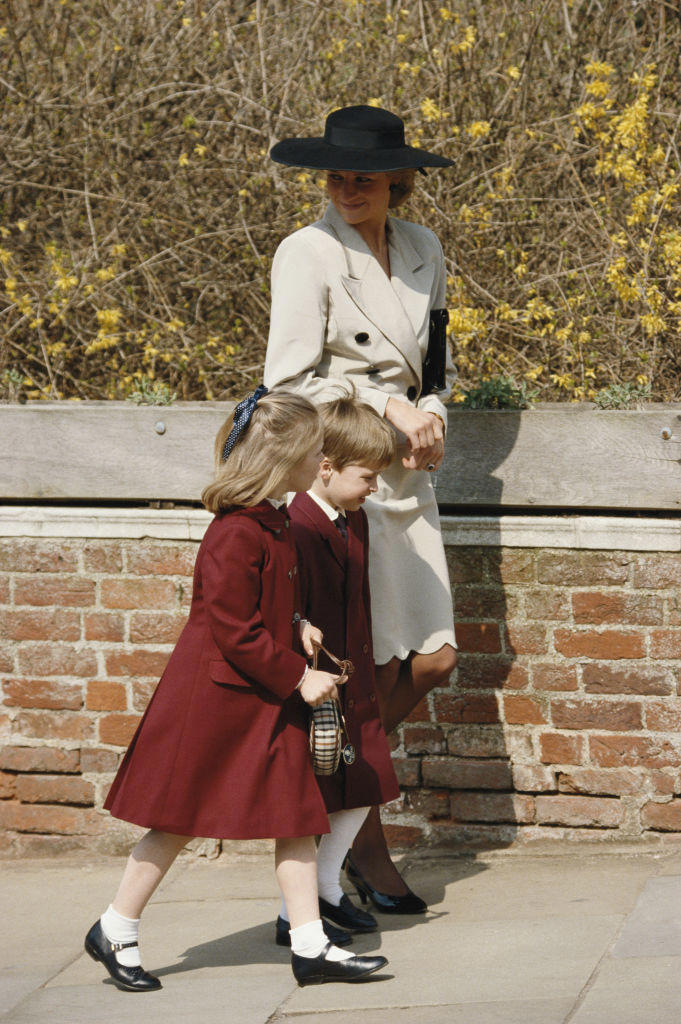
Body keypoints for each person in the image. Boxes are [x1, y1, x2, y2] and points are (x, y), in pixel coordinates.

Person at [83, 388, 387, 991]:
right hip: (214, 703)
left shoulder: (273, 521)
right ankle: (115, 927)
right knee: (175, 820)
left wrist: (299, 627)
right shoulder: (235, 533)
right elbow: (233, 628)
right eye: (313, 451)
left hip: (261, 698)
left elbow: (263, 609)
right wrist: (300, 676)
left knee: (298, 815)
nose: (320, 460)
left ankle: (309, 944)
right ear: (285, 459)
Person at [265, 105, 458, 911]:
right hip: (339, 475)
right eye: (336, 176)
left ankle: (344, 816)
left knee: (432, 659)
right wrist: (385, 404)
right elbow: (288, 382)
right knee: (358, 673)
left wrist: (434, 413)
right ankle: (359, 847)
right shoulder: (304, 253)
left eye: (366, 178)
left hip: (408, 477)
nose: (348, 189)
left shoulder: (422, 248)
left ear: (396, 181)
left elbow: (437, 362)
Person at [281, 396, 401, 941]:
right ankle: (297, 915)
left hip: (355, 681)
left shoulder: (356, 519)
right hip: (316, 684)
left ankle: (326, 889)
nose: (374, 487)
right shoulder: (296, 525)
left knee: (368, 780)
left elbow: (361, 600)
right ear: (325, 467)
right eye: (367, 476)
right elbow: (287, 608)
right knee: (314, 798)